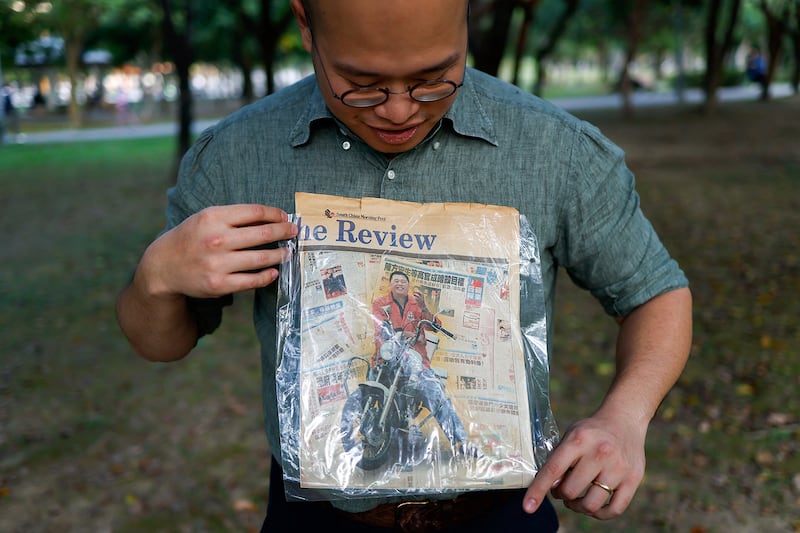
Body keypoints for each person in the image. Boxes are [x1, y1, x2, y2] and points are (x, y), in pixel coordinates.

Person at [115, 0, 692, 531]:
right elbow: (162, 342)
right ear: (305, 23)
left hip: (504, 513)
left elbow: (655, 293)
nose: (398, 110)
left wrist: (625, 417)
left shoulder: (553, 150)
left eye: (433, 77)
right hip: (321, 518)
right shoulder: (236, 158)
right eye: (360, 85)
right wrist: (157, 278)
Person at [370, 270, 469, 452]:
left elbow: (436, 326)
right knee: (369, 387)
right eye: (396, 281)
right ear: (390, 284)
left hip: (416, 363)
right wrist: (404, 334)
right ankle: (367, 424)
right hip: (387, 359)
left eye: (403, 281)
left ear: (408, 286)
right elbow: (380, 328)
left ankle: (461, 442)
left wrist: (424, 307)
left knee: (436, 394)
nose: (400, 283)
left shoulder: (417, 305)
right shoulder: (380, 304)